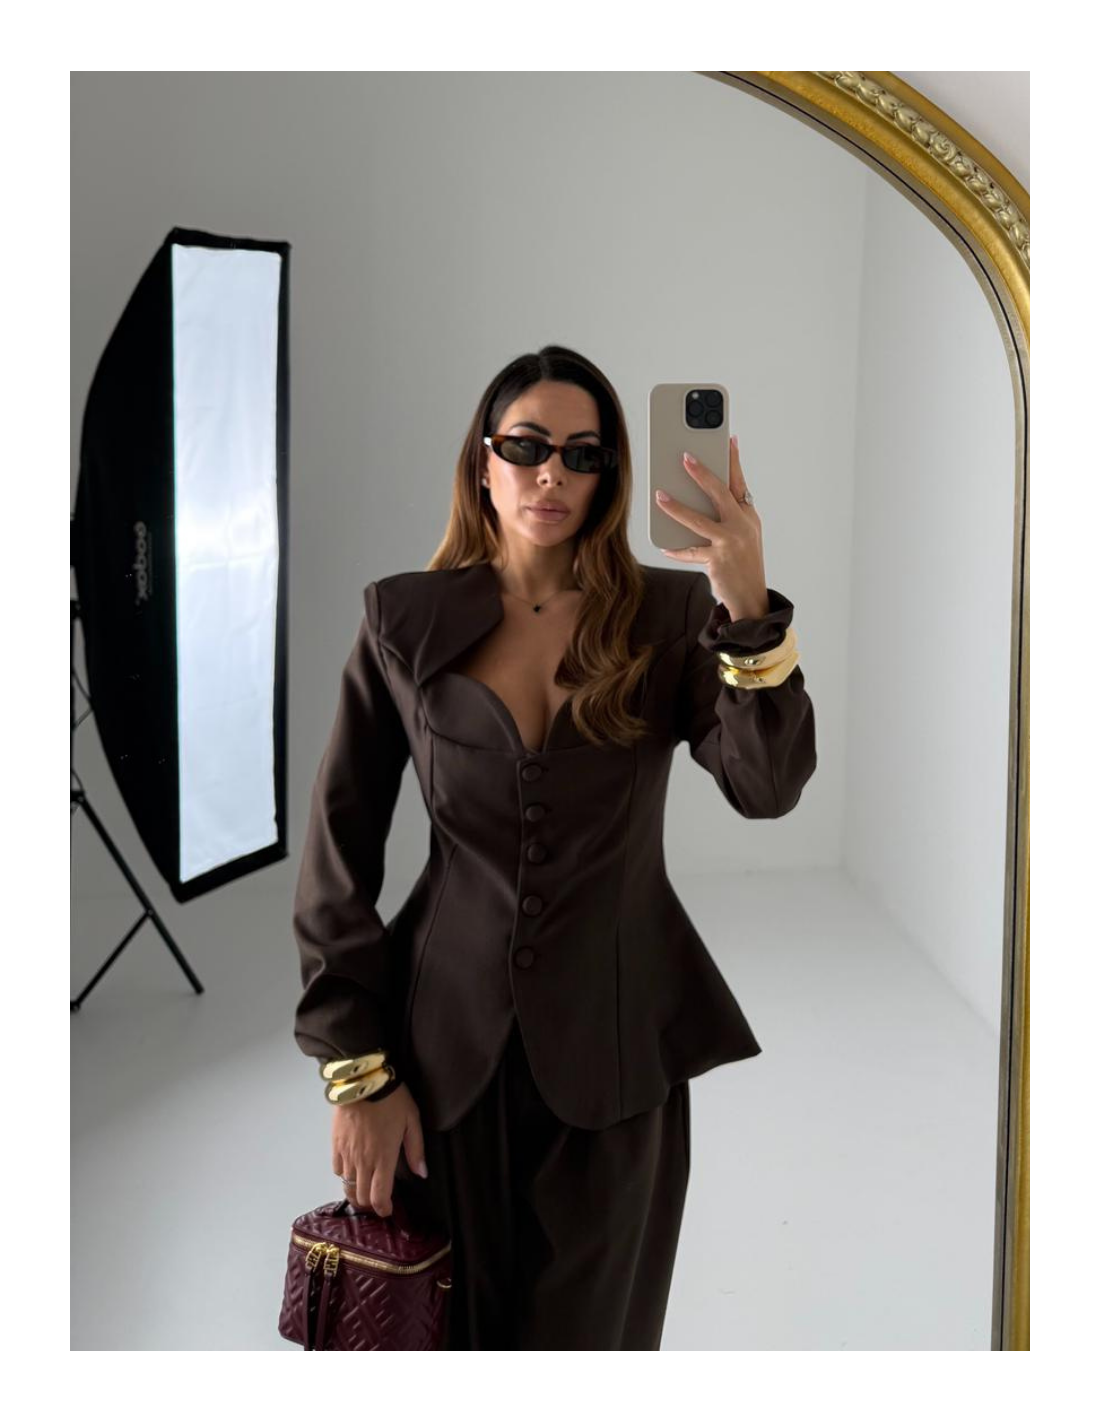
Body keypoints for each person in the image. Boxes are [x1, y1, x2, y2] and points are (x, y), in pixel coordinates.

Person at [292, 344, 817, 1349]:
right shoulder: (402, 621)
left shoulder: (670, 618)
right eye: (526, 446)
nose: (551, 475)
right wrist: (356, 1072)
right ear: (481, 460)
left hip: (616, 1058)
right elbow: (336, 858)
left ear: (610, 476)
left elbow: (767, 788)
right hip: (437, 1066)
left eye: (582, 454)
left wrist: (747, 608)